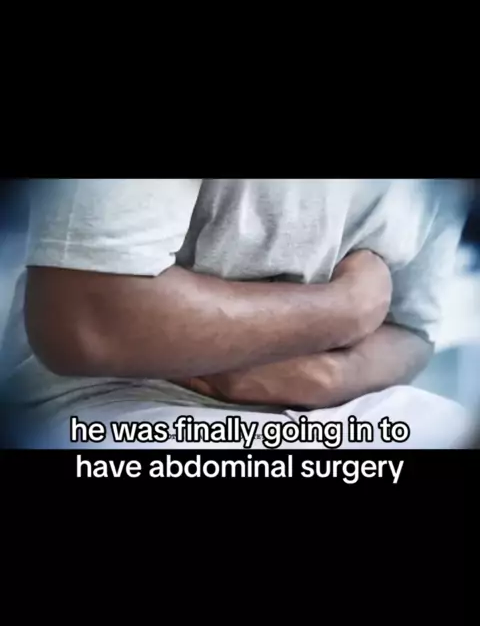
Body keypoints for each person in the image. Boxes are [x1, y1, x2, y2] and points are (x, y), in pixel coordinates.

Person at [0, 178, 471, 448]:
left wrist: (329, 377)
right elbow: (88, 321)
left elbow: (412, 330)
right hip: (114, 401)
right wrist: (349, 308)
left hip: (339, 405)